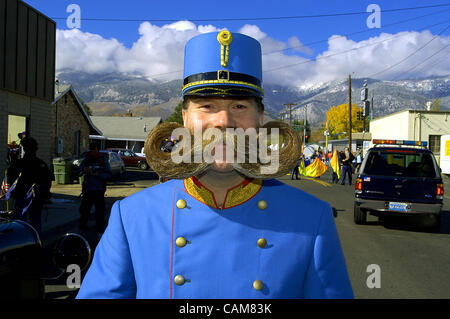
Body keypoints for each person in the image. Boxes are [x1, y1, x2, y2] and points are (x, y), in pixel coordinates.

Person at [77, 31, 353, 299]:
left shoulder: (312, 218)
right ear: (185, 120)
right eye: (207, 106)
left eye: (239, 107)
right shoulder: (132, 216)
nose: (223, 121)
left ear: (260, 120)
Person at [6, 137, 52, 235]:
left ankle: (21, 242)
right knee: (35, 223)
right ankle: (34, 242)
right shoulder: (40, 164)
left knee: (19, 223)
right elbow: (47, 181)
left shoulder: (19, 164)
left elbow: (11, 178)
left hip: (26, 197)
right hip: (33, 198)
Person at [78, 143, 112, 238]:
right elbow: (78, 172)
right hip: (88, 190)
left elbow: (109, 175)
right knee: (84, 211)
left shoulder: (102, 160)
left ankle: (100, 231)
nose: (92, 151)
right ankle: (82, 230)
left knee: (100, 212)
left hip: (99, 190)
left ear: (97, 149)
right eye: (91, 149)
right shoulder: (86, 159)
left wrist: (98, 175)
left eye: (94, 149)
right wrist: (84, 170)